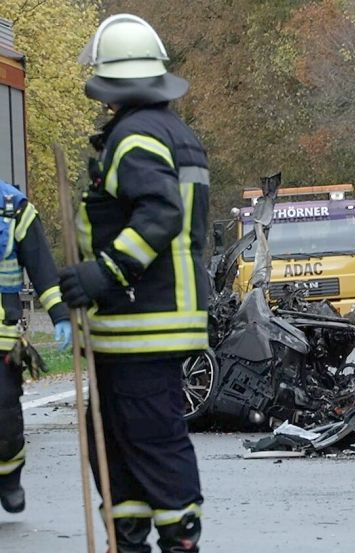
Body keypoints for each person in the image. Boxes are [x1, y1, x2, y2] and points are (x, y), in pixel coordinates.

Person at [59, 14, 209, 552]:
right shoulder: (172, 132)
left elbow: (160, 214)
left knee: (150, 446)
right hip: (149, 324)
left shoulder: (135, 137)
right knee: (121, 450)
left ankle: (173, 543)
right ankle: (132, 539)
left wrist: (102, 274)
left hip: (139, 323)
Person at [0, 180, 72, 513]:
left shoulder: (13, 207)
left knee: (5, 416)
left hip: (2, 336)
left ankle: (9, 476)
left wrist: (59, 314)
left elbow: (41, 267)